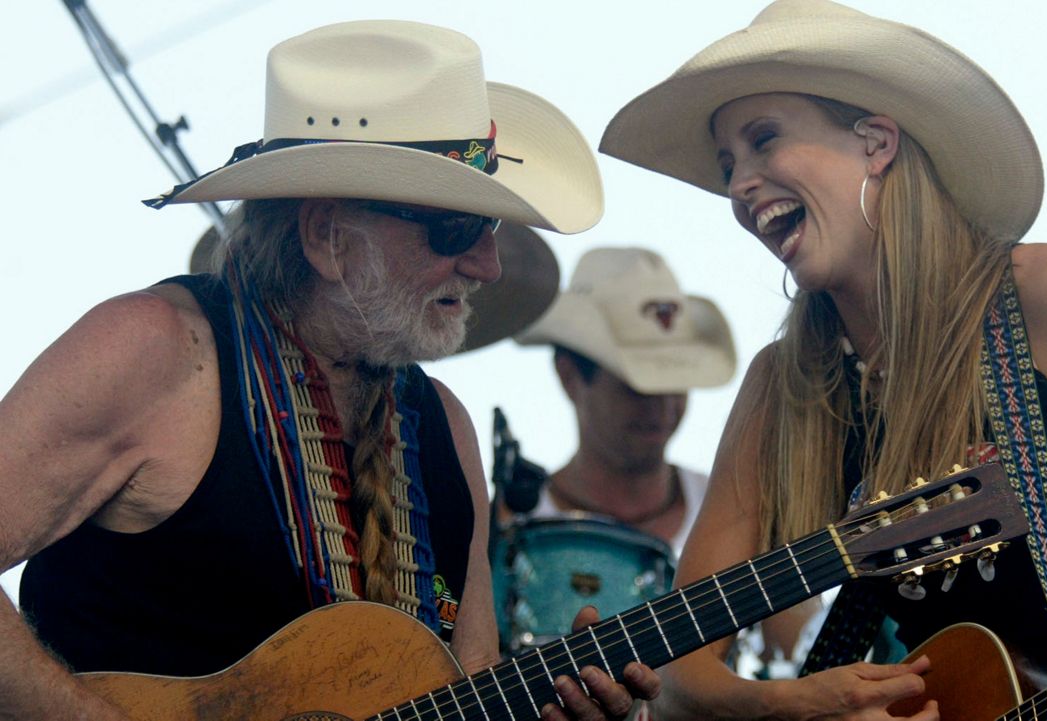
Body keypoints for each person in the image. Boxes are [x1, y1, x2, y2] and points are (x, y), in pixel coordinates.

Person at [599, 1, 1047, 720]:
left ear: (877, 142)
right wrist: (795, 701)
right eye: (730, 163)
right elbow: (678, 665)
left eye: (764, 141)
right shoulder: (786, 386)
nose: (737, 186)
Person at [0, 20, 657, 720]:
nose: (487, 265)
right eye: (457, 229)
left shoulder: (446, 431)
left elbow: (469, 687)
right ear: (327, 236)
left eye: (490, 228)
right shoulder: (154, 350)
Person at [507, 247, 736, 555]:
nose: (663, 406)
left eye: (678, 381)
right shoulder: (505, 531)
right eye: (637, 386)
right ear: (569, 377)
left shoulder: (735, 513)